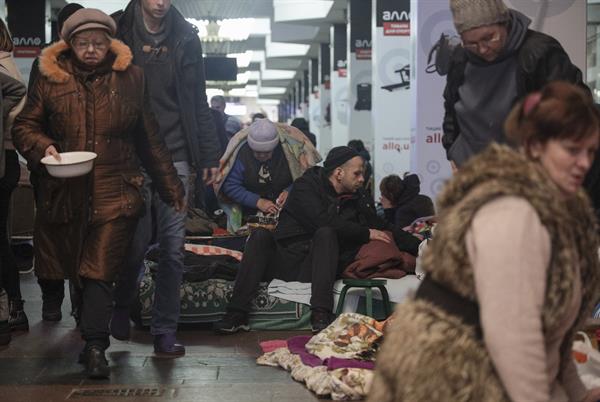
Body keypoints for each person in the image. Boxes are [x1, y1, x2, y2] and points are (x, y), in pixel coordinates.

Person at [369, 82, 600, 402]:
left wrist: (579, 394)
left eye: (590, 151)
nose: (585, 163)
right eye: (572, 150)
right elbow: (513, 341)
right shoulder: (513, 214)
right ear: (534, 146)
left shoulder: (561, 216)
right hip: (457, 386)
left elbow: (553, 342)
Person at [12, 8, 185, 378]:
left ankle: (95, 346)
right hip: (64, 189)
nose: (91, 49)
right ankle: (86, 330)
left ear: (110, 43)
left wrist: (171, 185)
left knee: (99, 269)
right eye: (82, 43)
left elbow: (150, 138)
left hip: (116, 188)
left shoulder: (131, 78)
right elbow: (25, 125)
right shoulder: (48, 78)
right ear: (69, 44)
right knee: (74, 266)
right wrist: (43, 146)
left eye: (98, 42)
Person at [110, 0, 221, 356]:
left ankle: (164, 331)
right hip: (133, 154)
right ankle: (122, 303)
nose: (161, 3)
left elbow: (197, 98)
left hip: (177, 155)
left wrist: (208, 154)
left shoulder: (187, 36)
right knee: (134, 244)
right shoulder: (118, 29)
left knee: (174, 249)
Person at [213, 146, 421, 334]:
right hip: (286, 259)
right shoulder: (306, 186)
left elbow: (383, 225)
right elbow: (321, 219)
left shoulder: (357, 198)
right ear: (339, 173)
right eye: (357, 173)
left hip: (316, 265)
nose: (361, 179)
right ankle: (236, 314)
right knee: (260, 235)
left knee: (327, 234)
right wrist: (366, 233)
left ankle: (320, 313)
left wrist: (420, 245)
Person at [442, 0, 587, 168]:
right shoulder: (461, 57)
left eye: (489, 38)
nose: (482, 49)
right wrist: (452, 151)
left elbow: (575, 109)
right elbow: (451, 107)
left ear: (504, 23)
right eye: (471, 43)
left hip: (527, 171)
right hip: (471, 169)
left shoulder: (540, 52)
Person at [27, 2, 84, 324]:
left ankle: (65, 300)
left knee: (63, 233)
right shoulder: (47, 64)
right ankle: (61, 299)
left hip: (65, 163)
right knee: (56, 233)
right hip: (57, 162)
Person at [0, 20, 28, 336]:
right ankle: (15, 306)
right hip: (7, 156)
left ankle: (12, 307)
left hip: (3, 156)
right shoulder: (10, 65)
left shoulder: (3, 70)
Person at [220, 119, 294, 218]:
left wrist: (289, 191)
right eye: (257, 152)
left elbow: (302, 177)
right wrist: (257, 201)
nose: (262, 156)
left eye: (267, 152)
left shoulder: (288, 154)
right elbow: (230, 185)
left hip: (287, 210)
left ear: (275, 147)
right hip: (248, 212)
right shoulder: (242, 155)